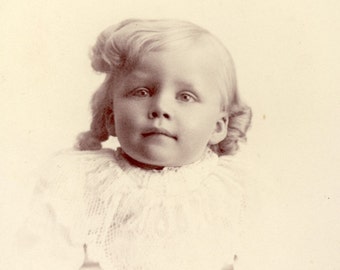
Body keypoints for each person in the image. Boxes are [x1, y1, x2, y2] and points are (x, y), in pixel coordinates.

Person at [13, 19, 252, 270]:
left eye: (185, 96)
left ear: (218, 126)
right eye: (142, 91)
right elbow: (35, 259)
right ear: (111, 117)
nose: (160, 107)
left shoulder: (238, 191)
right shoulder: (77, 182)